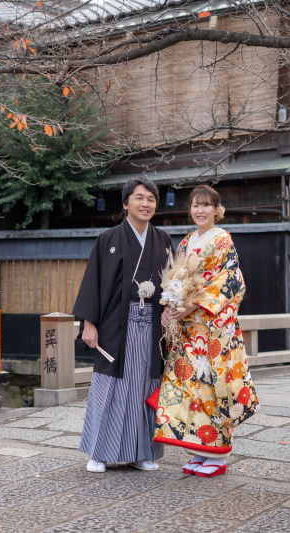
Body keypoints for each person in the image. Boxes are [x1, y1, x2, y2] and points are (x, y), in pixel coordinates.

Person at [156, 184, 259, 477]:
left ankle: (217, 453)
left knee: (214, 386)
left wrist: (191, 305)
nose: (200, 210)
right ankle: (198, 450)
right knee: (190, 386)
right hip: (188, 329)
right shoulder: (187, 240)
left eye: (206, 205)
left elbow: (230, 281)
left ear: (217, 209)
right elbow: (176, 277)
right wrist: (169, 305)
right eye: (195, 205)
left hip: (213, 329)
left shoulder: (223, 240)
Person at [73, 177, 175, 473]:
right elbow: (92, 282)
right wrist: (88, 324)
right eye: (140, 198)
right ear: (126, 203)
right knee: (112, 385)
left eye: (151, 199)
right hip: (117, 325)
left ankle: (143, 452)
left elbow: (172, 283)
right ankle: (99, 453)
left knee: (146, 384)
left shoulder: (163, 239)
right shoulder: (108, 239)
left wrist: (169, 306)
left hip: (151, 325)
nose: (146, 204)